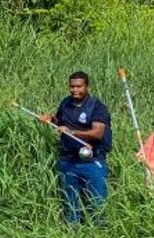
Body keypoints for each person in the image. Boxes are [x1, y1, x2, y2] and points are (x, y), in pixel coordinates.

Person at [39, 71, 112, 224]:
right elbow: (60, 122)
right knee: (70, 204)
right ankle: (72, 234)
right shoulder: (66, 102)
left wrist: (71, 132)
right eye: (72, 87)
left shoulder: (97, 107)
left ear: (87, 86)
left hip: (92, 163)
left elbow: (97, 133)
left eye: (79, 86)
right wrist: (50, 118)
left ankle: (100, 236)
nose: (75, 90)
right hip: (68, 162)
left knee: (97, 204)